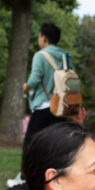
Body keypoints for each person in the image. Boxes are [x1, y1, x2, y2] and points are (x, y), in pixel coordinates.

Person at [22, 22, 72, 153]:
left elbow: (34, 80)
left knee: (31, 143)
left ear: (44, 37)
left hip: (44, 105)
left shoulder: (40, 55)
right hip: (62, 107)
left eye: (39, 36)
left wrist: (26, 86)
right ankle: (54, 172)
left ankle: (26, 173)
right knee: (55, 145)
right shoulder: (65, 56)